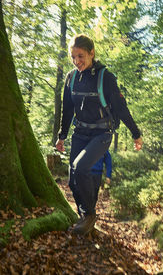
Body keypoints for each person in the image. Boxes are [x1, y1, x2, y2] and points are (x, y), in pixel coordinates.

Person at [56, 34, 143, 235]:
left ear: (91, 53)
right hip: (80, 133)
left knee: (80, 168)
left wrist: (136, 134)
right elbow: (68, 110)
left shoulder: (106, 77)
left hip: (102, 133)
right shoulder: (71, 78)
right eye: (73, 57)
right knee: (72, 179)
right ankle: (84, 217)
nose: (77, 61)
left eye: (81, 56)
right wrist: (62, 136)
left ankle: (89, 214)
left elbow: (121, 108)